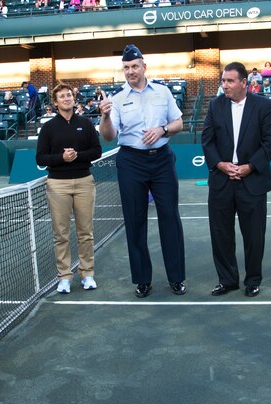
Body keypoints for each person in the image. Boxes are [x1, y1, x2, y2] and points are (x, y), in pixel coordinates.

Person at [98, 44, 186, 298]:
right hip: (131, 162)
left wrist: (162, 130)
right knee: (135, 222)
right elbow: (108, 136)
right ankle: (142, 280)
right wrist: (104, 116)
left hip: (161, 161)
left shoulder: (162, 92)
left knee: (170, 217)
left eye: (134, 66)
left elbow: (178, 122)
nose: (130, 71)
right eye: (126, 68)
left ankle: (177, 278)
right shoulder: (116, 99)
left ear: (144, 67)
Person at [202, 62, 271, 298]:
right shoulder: (215, 106)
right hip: (221, 181)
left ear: (244, 83)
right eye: (223, 81)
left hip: (251, 181)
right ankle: (227, 280)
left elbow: (269, 141)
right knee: (220, 234)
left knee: (254, 235)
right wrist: (221, 165)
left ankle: (253, 280)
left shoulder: (263, 106)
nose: (225, 85)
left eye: (230, 81)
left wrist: (250, 166)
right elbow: (208, 141)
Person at [36, 83, 102, 294]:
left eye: (69, 96)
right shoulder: (48, 128)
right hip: (57, 184)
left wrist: (77, 156)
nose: (66, 99)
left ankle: (87, 274)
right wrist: (62, 159)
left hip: (84, 182)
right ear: (55, 103)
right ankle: (64, 276)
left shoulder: (86, 123)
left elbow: (97, 151)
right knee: (61, 234)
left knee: (86, 233)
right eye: (62, 97)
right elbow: (41, 158)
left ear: (74, 99)